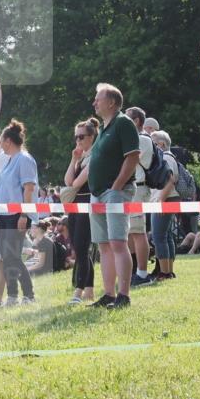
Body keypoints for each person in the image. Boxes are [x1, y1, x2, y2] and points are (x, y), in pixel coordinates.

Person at [87, 83, 141, 309]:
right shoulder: (104, 128)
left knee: (118, 243)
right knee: (104, 245)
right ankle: (109, 294)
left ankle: (124, 295)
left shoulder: (123, 123)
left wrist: (117, 186)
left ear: (111, 102)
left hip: (114, 193)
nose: (94, 102)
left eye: (98, 99)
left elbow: (132, 157)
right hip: (98, 194)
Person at [0, 120, 38, 305]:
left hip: (18, 215)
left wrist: (24, 215)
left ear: (8, 141)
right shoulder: (9, 161)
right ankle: (12, 295)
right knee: (5, 257)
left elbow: (28, 188)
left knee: (13, 256)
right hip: (4, 216)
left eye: (2, 141)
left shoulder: (24, 159)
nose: (0, 145)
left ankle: (29, 294)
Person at [64, 118, 98, 303]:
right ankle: (89, 289)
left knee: (82, 248)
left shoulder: (95, 156)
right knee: (78, 247)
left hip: (87, 205)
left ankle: (79, 290)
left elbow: (77, 183)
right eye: (76, 137)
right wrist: (74, 159)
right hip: (75, 206)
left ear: (92, 136)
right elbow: (68, 181)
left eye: (81, 137)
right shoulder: (82, 157)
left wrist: (73, 184)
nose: (78, 141)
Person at [123, 108, 154, 288]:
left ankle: (143, 273)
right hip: (133, 189)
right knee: (130, 232)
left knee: (138, 231)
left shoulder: (142, 139)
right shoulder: (137, 139)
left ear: (136, 121)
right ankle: (135, 270)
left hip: (139, 189)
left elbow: (130, 160)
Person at [149, 130, 181, 281]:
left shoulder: (166, 158)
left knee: (158, 236)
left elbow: (170, 181)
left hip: (165, 199)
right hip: (168, 199)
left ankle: (164, 273)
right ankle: (168, 271)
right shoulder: (170, 157)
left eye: (153, 143)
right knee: (166, 236)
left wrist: (161, 200)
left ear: (161, 144)